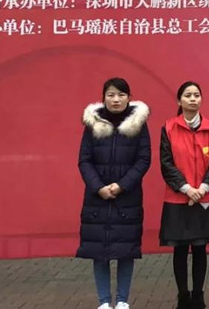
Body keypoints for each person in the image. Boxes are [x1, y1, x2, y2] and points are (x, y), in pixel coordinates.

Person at [77, 77, 151, 309]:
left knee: (126, 251)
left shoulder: (138, 124)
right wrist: (98, 187)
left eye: (121, 94)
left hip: (127, 198)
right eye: (111, 95)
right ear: (104, 98)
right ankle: (104, 302)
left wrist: (121, 185)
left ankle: (121, 301)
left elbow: (143, 159)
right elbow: (84, 160)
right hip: (96, 199)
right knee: (99, 251)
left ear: (129, 97)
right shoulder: (93, 124)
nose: (116, 99)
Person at [160, 81, 209, 309]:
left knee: (200, 248)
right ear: (179, 100)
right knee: (179, 249)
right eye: (188, 95)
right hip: (178, 198)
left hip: (205, 197)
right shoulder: (169, 127)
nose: (193, 99)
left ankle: (198, 296)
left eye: (197, 95)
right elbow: (166, 163)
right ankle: (183, 296)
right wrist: (186, 188)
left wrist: (203, 188)